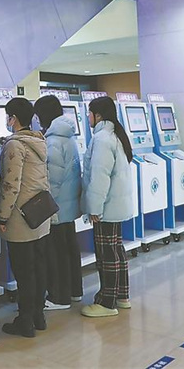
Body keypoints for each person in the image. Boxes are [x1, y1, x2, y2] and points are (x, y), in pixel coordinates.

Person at [0, 98, 50, 338]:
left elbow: (11, 184)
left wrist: (2, 216)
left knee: (23, 271)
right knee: (38, 267)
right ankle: (38, 316)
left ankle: (25, 321)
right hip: (40, 214)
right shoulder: (39, 141)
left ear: (14, 119)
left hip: (20, 217)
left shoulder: (14, 145)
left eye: (8, 116)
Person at [81, 96, 135, 318]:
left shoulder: (102, 139)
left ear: (98, 115)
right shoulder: (115, 135)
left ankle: (107, 302)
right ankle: (122, 296)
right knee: (116, 251)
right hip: (116, 204)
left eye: (89, 113)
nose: (87, 118)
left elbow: (100, 177)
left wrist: (94, 208)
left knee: (107, 254)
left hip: (107, 206)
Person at [33, 96, 83, 311]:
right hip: (69, 203)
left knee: (56, 252)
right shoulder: (67, 136)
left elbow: (52, 178)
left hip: (57, 205)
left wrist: (45, 205)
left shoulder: (53, 140)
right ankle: (74, 290)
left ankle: (59, 297)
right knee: (70, 248)